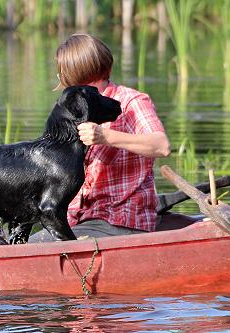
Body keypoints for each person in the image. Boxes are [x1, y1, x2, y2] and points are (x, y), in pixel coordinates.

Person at [30, 33, 171, 242]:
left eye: (62, 73)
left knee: (33, 247)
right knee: (14, 240)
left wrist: (105, 136)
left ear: (74, 74)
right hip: (78, 220)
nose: (60, 79)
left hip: (120, 222)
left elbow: (161, 146)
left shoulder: (132, 102)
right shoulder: (72, 108)